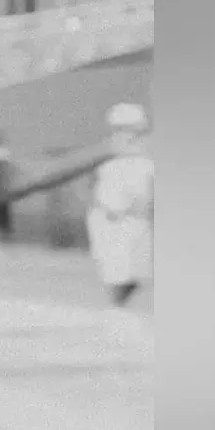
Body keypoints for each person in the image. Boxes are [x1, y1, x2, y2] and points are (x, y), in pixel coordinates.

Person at [87, 102, 154, 308]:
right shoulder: (107, 160)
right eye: (121, 129)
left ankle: (118, 305)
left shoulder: (145, 161)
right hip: (108, 218)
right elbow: (94, 186)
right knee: (116, 269)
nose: (128, 134)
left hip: (136, 219)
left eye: (133, 129)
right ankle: (116, 306)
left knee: (138, 271)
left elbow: (147, 191)